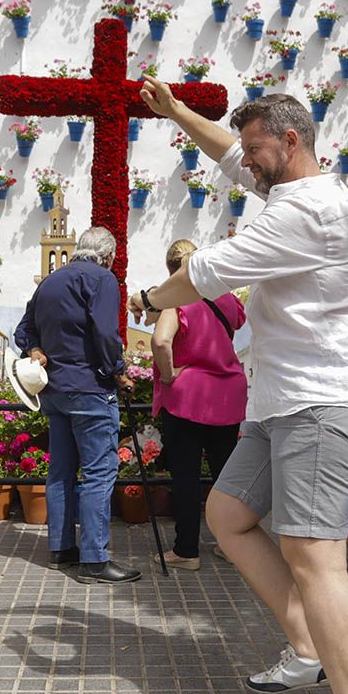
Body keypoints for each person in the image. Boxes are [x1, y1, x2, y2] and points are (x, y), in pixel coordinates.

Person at [130, 84, 348, 694]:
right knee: (228, 515)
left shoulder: (304, 211)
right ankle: (306, 646)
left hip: (322, 400)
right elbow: (226, 153)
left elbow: (202, 275)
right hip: (284, 401)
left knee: (314, 556)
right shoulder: (290, 190)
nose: (244, 161)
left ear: (291, 141)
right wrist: (179, 113)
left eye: (255, 150)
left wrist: (150, 301)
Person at [14, 226, 140, 585]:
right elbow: (104, 332)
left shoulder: (50, 282)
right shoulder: (102, 279)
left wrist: (36, 351)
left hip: (55, 390)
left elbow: (23, 330)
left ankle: (62, 551)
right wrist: (117, 372)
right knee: (100, 472)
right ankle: (95, 560)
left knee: (61, 472)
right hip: (89, 389)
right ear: (109, 256)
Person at [150, 239, 247, 570]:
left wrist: (167, 375)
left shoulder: (176, 300)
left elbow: (161, 340)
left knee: (186, 477)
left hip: (188, 398)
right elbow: (235, 326)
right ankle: (230, 546)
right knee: (226, 477)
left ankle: (186, 551)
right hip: (229, 396)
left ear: (171, 270)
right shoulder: (227, 299)